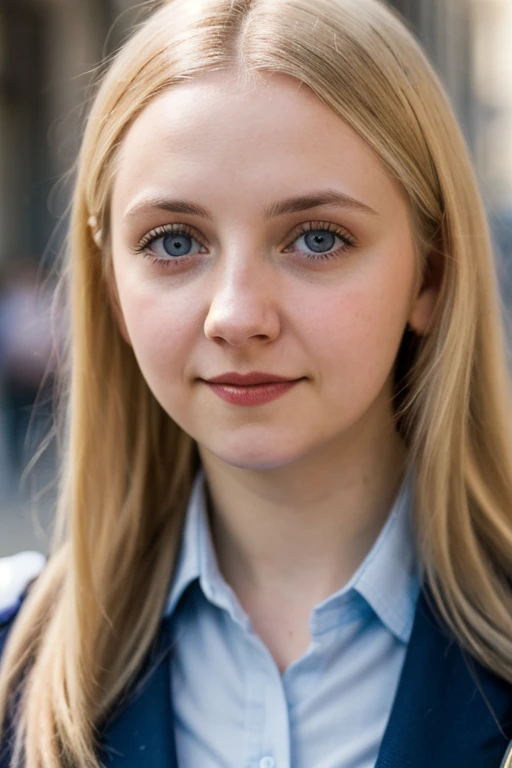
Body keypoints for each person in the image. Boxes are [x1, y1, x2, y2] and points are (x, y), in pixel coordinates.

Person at [2, 0, 512, 765]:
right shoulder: (15, 664)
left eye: (317, 238)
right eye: (174, 241)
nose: (237, 316)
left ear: (430, 276)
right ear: (113, 289)